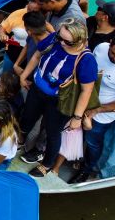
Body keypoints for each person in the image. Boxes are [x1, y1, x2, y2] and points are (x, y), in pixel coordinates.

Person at [18, 19, 98, 177]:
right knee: (26, 118)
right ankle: (20, 141)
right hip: (37, 90)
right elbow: (37, 55)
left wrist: (77, 117)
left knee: (52, 132)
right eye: (59, 37)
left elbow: (86, 91)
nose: (61, 42)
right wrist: (24, 75)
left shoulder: (86, 60)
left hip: (59, 101)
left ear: (79, 40)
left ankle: (47, 163)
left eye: (66, 41)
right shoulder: (55, 38)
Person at [69, 33, 115, 183]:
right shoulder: (101, 48)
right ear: (110, 43)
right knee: (73, 131)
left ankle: (86, 169)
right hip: (80, 100)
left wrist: (96, 110)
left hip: (101, 115)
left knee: (93, 142)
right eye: (113, 53)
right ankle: (74, 156)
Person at [0, 0, 53, 72]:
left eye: (33, 12)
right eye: (28, 9)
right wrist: (2, 34)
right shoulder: (19, 13)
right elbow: (2, 28)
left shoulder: (46, 24)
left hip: (32, 63)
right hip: (11, 56)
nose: (27, 13)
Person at [13, 10, 53, 76]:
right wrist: (16, 65)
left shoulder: (49, 47)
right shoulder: (32, 35)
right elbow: (27, 46)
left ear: (28, 31)